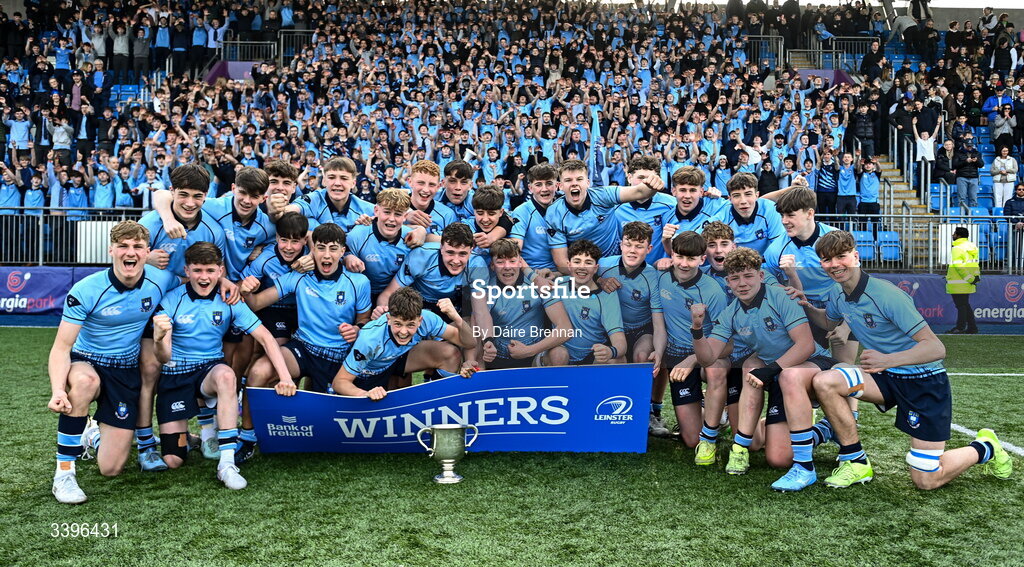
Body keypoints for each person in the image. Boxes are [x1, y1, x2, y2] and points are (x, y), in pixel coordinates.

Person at [807, 230, 1012, 489]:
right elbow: (829, 320)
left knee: (926, 480)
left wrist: (888, 359)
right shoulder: (837, 294)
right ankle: (855, 461)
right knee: (825, 381)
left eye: (841, 257)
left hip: (923, 383)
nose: (835, 265)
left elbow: (936, 348)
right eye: (827, 260)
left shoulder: (886, 295)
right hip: (884, 379)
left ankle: (985, 447)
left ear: (856, 257)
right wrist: (805, 305)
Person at [49, 221, 179, 504]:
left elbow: (195, 279)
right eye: (122, 246)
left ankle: (93, 436)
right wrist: (59, 389)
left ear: (147, 253)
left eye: (136, 247)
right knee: (85, 382)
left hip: (124, 371)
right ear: (111, 250)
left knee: (111, 468)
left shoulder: (162, 280)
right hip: (87, 361)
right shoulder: (86, 289)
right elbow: (61, 347)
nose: (129, 253)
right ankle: (64, 475)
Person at [692, 247, 837, 492]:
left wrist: (771, 370)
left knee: (754, 366)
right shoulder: (732, 313)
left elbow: (805, 345)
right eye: (735, 278)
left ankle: (825, 428)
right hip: (777, 373)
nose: (742, 283)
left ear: (760, 276)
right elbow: (708, 358)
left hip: (811, 365)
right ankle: (741, 448)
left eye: (748, 276)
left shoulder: (781, 296)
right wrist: (696, 328)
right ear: (728, 282)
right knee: (778, 459)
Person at [151, 242, 293, 490]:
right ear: (187, 270)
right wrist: (160, 337)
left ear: (220, 271)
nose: (203, 277)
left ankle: (226, 464)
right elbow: (163, 358)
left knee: (227, 375)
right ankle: (191, 438)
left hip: (209, 372)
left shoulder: (230, 299)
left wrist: (285, 377)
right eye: (197, 270)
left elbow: (266, 339)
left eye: (209, 270)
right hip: (175, 375)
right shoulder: (172, 300)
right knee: (173, 460)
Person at [237, 223, 372, 461]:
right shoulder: (298, 278)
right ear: (312, 251)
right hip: (304, 349)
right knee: (258, 372)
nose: (327, 255)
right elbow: (256, 304)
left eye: (333, 249)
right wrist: (247, 290)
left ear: (343, 252)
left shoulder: (358, 282)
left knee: (331, 431)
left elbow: (364, 319)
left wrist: (357, 329)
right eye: (321, 248)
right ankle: (247, 437)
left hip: (340, 356)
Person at [653, 230, 730, 458]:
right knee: (690, 440)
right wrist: (658, 353)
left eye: (691, 259)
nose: (684, 264)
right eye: (679, 257)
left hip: (706, 354)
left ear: (701, 260)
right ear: (672, 255)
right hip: (677, 356)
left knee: (715, 371)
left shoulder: (713, 291)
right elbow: (659, 326)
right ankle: (709, 409)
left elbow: (725, 340)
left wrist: (693, 358)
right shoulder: (661, 278)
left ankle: (711, 432)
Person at [334, 288, 477, 400]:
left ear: (420, 320)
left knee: (450, 353)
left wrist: (456, 318)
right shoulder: (369, 339)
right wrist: (365, 394)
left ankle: (439, 399)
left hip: (399, 356)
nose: (403, 331)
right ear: (388, 319)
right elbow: (339, 382)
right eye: (398, 324)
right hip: (370, 369)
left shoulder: (427, 319)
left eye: (410, 325)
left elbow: (470, 342)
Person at [596, 222, 668, 436]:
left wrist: (659, 352)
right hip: (611, 330)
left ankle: (647, 413)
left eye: (639, 246)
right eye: (628, 244)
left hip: (640, 329)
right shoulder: (603, 266)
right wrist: (598, 280)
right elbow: (580, 277)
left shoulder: (652, 276)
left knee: (643, 355)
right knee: (609, 361)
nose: (632, 251)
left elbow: (657, 321)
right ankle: (610, 410)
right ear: (620, 245)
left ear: (649, 249)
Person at [470, 239, 573, 370]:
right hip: (498, 356)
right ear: (492, 266)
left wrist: (529, 350)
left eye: (512, 261)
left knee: (559, 354)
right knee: (471, 323)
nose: (507, 267)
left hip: (534, 354)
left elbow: (566, 329)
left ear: (520, 263)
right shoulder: (487, 289)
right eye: (500, 262)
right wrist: (485, 349)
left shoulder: (539, 284)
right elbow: (479, 323)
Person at [545, 159, 662, 274]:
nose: (574, 183)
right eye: (568, 180)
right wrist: (594, 278)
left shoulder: (603, 195)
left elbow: (640, 192)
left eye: (579, 179)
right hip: (583, 268)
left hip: (615, 263)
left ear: (588, 183)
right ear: (560, 186)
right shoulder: (554, 213)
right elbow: (562, 263)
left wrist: (653, 185)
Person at [545, 239, 626, 366]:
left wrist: (610, 351)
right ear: (569, 265)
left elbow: (620, 341)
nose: (582, 267)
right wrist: (539, 274)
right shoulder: (557, 284)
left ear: (595, 268)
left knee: (618, 359)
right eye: (577, 261)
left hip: (590, 355)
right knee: (558, 355)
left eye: (588, 263)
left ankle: (592, 383)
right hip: (560, 350)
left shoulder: (606, 294)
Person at [715, 172, 786, 255]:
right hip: (732, 264)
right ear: (729, 199)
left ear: (757, 195)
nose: (743, 201)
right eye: (736, 195)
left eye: (748, 194)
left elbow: (779, 247)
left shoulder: (769, 209)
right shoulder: (722, 216)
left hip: (764, 264)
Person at [945, 227, 980, 334]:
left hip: (959, 281)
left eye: (954, 233)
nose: (953, 235)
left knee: (961, 305)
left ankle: (960, 327)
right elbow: (975, 264)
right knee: (965, 305)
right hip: (969, 281)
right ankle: (972, 328)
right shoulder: (972, 247)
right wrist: (974, 277)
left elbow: (958, 266)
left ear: (959, 235)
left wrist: (969, 278)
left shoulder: (957, 248)